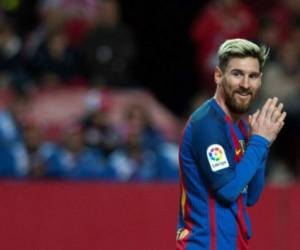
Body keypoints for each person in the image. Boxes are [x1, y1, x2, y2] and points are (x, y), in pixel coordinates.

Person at [176, 39, 286, 249]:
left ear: (260, 80)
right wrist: (260, 142)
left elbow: (251, 196)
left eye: (252, 76)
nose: (245, 84)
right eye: (237, 74)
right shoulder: (207, 124)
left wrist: (262, 145)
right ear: (218, 75)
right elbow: (227, 189)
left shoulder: (241, 128)